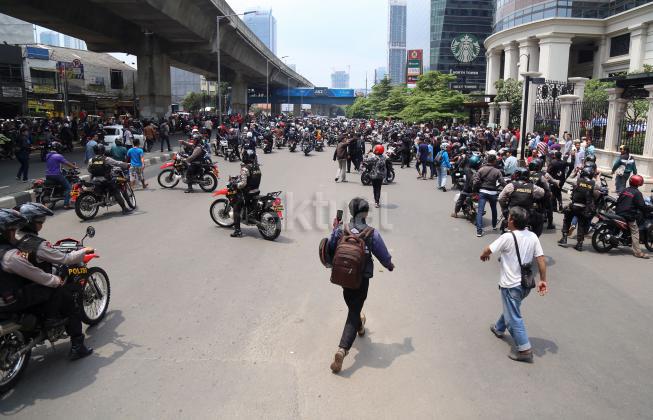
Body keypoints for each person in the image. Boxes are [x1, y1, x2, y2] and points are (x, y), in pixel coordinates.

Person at [13, 203, 94, 359]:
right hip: (39, 287)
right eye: (40, 221)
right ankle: (77, 346)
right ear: (30, 222)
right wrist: (84, 251)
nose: (42, 224)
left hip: (22, 286)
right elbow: (66, 259)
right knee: (72, 303)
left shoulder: (14, 237)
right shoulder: (38, 245)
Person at [328, 198, 394, 373]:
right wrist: (389, 265)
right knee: (354, 311)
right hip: (361, 279)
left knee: (353, 306)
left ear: (351, 212)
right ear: (365, 213)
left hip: (343, 277)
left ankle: (360, 327)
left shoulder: (341, 229)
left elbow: (330, 247)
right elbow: (383, 254)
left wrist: (335, 228)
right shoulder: (371, 233)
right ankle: (342, 350)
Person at [480, 206, 548, 364]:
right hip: (526, 285)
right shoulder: (532, 236)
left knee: (514, 317)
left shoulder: (507, 237)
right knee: (512, 307)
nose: (507, 218)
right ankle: (498, 328)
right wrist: (543, 280)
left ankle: (525, 350)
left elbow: (488, 249)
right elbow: (541, 259)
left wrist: (484, 255)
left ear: (511, 220)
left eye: (508, 216)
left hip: (511, 285)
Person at [558, 167, 600, 251]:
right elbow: (598, 191)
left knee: (567, 220)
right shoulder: (593, 184)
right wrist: (598, 177)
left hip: (574, 206)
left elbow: (568, 179)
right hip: (584, 208)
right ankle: (579, 244)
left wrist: (574, 172)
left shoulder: (577, 181)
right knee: (581, 224)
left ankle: (564, 238)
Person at [87, 144, 132, 214]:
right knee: (115, 191)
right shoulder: (106, 159)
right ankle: (124, 209)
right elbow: (117, 163)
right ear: (103, 150)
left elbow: (89, 169)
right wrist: (126, 164)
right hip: (105, 180)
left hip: (94, 180)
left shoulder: (91, 160)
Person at [614, 174, 651, 259]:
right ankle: (638, 252)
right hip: (628, 215)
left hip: (618, 212)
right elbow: (641, 206)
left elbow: (619, 200)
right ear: (639, 183)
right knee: (635, 232)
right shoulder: (637, 193)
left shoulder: (625, 190)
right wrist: (649, 208)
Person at [473, 154, 506, 237]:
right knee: (494, 209)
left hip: (483, 192)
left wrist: (476, 189)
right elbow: (502, 182)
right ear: (494, 161)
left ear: (487, 160)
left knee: (480, 211)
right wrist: (508, 187)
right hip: (493, 193)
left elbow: (476, 181)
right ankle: (494, 225)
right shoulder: (497, 171)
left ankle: (479, 231)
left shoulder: (481, 169)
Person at [231, 150, 261, 238]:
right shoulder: (257, 167)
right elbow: (252, 178)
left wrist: (235, 185)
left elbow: (243, 184)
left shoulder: (245, 169)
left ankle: (237, 231)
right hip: (256, 191)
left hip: (247, 193)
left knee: (236, 208)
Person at [45, 142, 77, 209]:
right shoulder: (58, 156)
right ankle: (66, 204)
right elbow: (66, 163)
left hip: (48, 175)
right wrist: (74, 167)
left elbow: (56, 164)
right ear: (58, 148)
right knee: (69, 188)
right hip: (56, 175)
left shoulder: (47, 155)